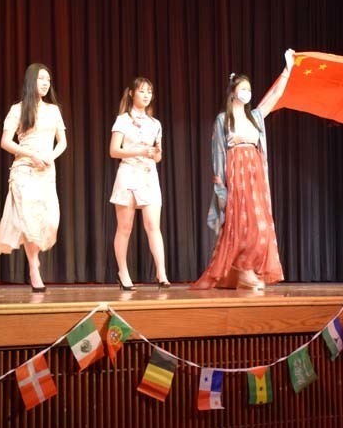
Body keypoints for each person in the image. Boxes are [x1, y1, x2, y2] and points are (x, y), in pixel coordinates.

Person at [193, 49, 294, 290]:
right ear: (233, 91)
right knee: (240, 224)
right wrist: (221, 185)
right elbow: (217, 152)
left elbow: (275, 96)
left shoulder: (256, 117)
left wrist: (287, 68)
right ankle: (244, 272)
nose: (247, 93)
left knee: (260, 223)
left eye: (250, 89)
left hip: (255, 173)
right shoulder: (222, 119)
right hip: (235, 172)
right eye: (243, 88)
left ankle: (248, 270)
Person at [0, 63, 67, 292]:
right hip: (24, 169)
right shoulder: (18, 109)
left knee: (50, 220)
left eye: (48, 79)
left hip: (46, 170)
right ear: (30, 81)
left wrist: (49, 157)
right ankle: (34, 268)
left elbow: (62, 142)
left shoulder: (53, 110)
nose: (45, 83)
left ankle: (34, 260)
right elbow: (6, 142)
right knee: (29, 220)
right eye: (40, 79)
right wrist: (31, 154)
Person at [109, 77, 169, 291]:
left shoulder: (155, 124)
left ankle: (161, 272)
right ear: (132, 93)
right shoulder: (122, 120)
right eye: (142, 91)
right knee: (125, 227)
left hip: (148, 174)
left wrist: (156, 153)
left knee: (153, 225)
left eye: (149, 92)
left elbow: (158, 156)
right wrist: (140, 151)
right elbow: (114, 151)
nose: (146, 95)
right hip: (128, 173)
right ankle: (123, 272)